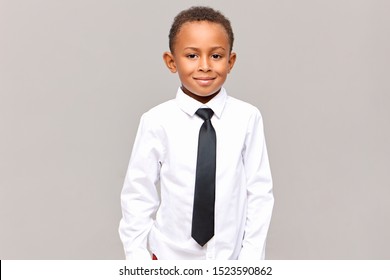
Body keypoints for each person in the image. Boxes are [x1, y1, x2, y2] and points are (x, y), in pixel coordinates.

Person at [119, 6, 274, 260]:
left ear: (230, 61)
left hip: (230, 259)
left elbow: (259, 193)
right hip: (168, 259)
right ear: (171, 62)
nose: (204, 66)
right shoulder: (156, 121)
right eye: (192, 56)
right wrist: (139, 260)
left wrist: (250, 262)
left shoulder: (248, 118)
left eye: (216, 56)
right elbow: (138, 194)